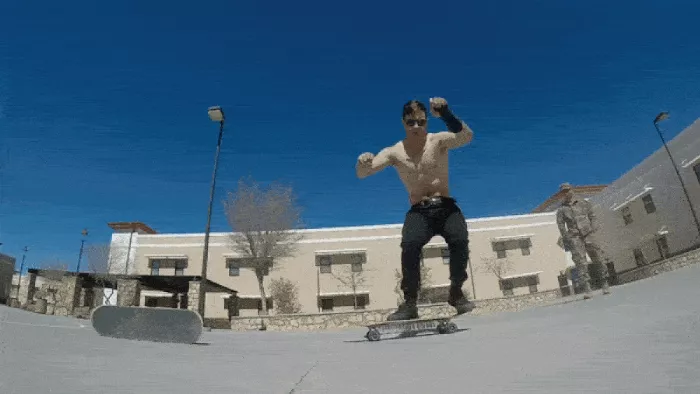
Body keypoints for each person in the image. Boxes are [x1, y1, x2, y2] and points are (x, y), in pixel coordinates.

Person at [355, 97, 476, 320]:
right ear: (403, 123)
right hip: (419, 211)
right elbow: (364, 173)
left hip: (446, 206)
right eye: (411, 123)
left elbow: (466, 136)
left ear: (427, 121)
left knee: (459, 240)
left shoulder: (438, 141)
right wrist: (362, 162)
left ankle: (457, 293)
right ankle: (410, 303)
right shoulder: (395, 152)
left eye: (421, 122)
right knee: (409, 245)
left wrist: (447, 114)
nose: (416, 127)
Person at [556, 183, 612, 299]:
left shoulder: (583, 203)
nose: (566, 193)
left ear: (572, 190)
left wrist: (593, 227)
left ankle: (604, 283)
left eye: (567, 190)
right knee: (580, 263)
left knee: (598, 257)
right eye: (563, 192)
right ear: (562, 194)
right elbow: (561, 226)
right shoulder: (561, 209)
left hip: (588, 234)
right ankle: (587, 288)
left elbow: (592, 216)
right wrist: (567, 237)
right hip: (575, 237)